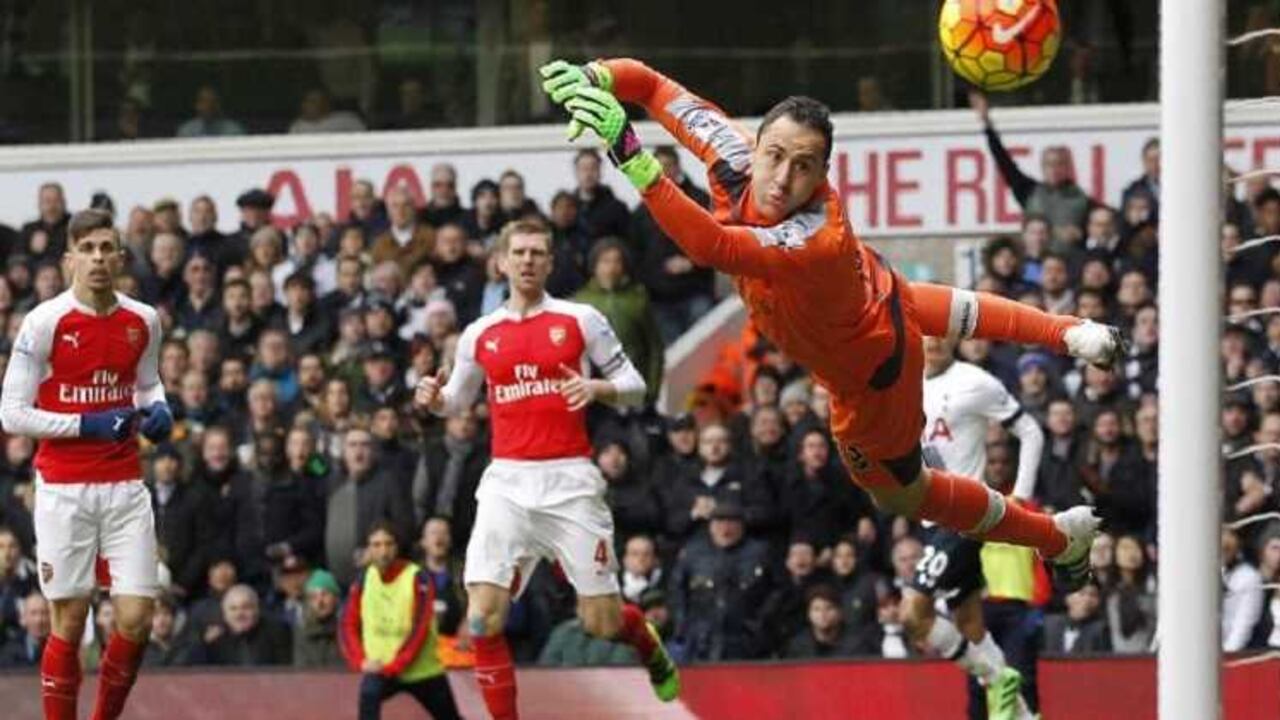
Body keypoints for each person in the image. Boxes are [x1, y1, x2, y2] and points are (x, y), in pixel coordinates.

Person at [539, 58, 1117, 592]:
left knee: (902, 496)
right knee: (914, 302)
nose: (783, 177)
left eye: (804, 166)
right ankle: (1070, 331)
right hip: (881, 297)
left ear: (822, 174)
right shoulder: (731, 151)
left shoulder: (813, 238)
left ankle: (1059, 538)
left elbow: (710, 244)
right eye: (775, 156)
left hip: (872, 380)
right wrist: (593, 76)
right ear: (755, 144)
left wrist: (626, 147)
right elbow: (651, 84)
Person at [414, 218, 680, 719]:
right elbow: (456, 401)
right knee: (482, 620)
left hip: (570, 482)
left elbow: (637, 384)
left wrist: (598, 388)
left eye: (538, 252)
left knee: (600, 622)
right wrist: (431, 400)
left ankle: (644, 641)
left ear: (551, 262)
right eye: (519, 252)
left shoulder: (581, 319)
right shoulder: (480, 334)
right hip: (507, 484)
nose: (528, 260)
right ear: (501, 262)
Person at [0, 209, 174, 720]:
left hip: (124, 486)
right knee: (70, 621)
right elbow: (11, 412)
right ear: (70, 258)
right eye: (88, 249)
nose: (98, 258)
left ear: (120, 256)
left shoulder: (143, 320)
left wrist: (159, 407)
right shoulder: (44, 322)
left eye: (107, 248)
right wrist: (87, 424)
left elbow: (147, 382)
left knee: (138, 617)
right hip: (64, 490)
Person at [901, 335, 1045, 720]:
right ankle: (1023, 713)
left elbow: (1031, 430)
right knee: (969, 625)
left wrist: (1021, 496)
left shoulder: (975, 381)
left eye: (941, 331)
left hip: (963, 517)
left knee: (912, 615)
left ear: (954, 337)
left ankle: (996, 678)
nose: (934, 341)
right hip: (931, 522)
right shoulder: (904, 384)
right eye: (925, 332)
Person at [339, 522, 461, 720]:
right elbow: (347, 624)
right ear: (368, 549)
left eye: (388, 544)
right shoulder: (363, 580)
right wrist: (360, 661)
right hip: (380, 667)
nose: (383, 551)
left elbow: (419, 629)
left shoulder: (417, 578)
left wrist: (395, 665)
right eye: (376, 545)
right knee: (369, 694)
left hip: (421, 670)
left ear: (397, 547)